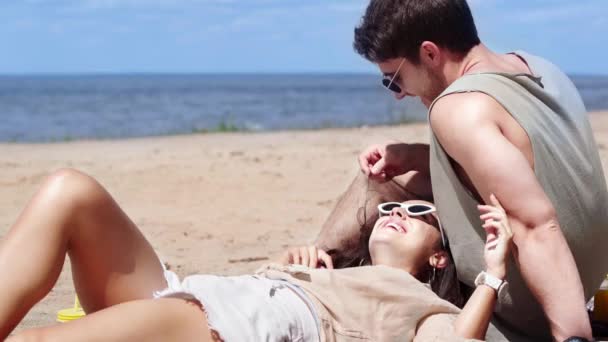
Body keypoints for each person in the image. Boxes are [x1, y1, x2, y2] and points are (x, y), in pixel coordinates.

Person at [315, 1, 608, 341]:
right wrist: (412, 155)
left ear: (429, 53)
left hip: (531, 308)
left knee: (378, 185)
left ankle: (312, 279)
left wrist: (573, 337)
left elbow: (535, 224)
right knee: (392, 174)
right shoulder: (534, 67)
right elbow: (524, 166)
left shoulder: (457, 108)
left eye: (393, 79)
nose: (398, 95)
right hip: (585, 272)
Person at [1, 168, 513, 341]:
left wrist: (492, 274)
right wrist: (289, 266)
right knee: (71, 191)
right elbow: (373, 186)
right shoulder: (330, 271)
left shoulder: (424, 309)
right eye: (392, 208)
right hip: (198, 298)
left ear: (440, 259)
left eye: (419, 211)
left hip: (234, 327)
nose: (397, 212)